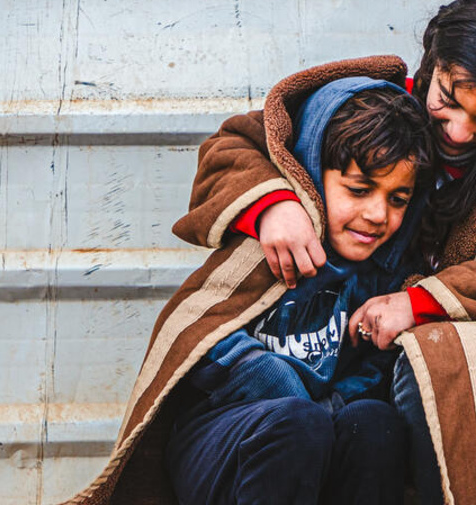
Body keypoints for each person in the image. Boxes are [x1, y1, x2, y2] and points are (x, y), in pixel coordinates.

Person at [65, 0, 476, 502]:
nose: (456, 132)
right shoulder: (367, 113)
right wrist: (276, 203)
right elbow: (237, 143)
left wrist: (424, 302)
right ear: (431, 61)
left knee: (407, 384)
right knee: (306, 425)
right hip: (273, 412)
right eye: (448, 100)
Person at [59, 60, 433, 505]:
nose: (377, 214)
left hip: (319, 441)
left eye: (397, 199)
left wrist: (333, 406)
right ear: (314, 171)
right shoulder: (269, 243)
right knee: (296, 422)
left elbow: (375, 370)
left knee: (374, 422)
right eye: (358, 189)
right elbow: (203, 335)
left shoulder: (385, 280)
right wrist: (282, 385)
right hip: (223, 441)